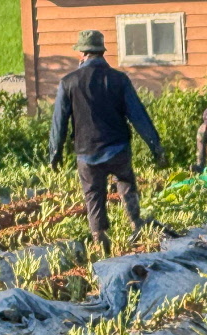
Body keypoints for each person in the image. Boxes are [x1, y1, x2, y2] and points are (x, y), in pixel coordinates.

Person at [49, 30, 167, 254]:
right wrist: (155, 146)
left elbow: (59, 123)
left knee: (93, 195)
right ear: (102, 52)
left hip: (87, 152)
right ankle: (135, 224)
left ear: (82, 53)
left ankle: (101, 243)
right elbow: (138, 115)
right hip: (117, 148)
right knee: (126, 183)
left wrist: (55, 153)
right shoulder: (118, 79)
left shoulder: (68, 82)